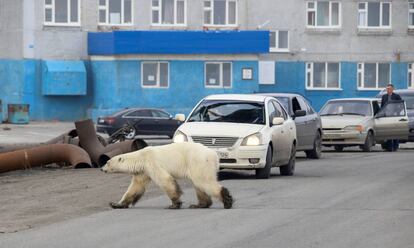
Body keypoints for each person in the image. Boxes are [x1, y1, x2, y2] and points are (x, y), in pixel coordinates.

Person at [380, 83, 402, 151]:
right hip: (386, 116)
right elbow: (382, 106)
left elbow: (401, 105)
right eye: (387, 89)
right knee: (388, 132)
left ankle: (395, 147)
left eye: (389, 89)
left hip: (394, 116)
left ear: (392, 89)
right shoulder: (384, 96)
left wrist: (397, 112)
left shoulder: (397, 96)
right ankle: (389, 147)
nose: (388, 90)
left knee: (395, 132)